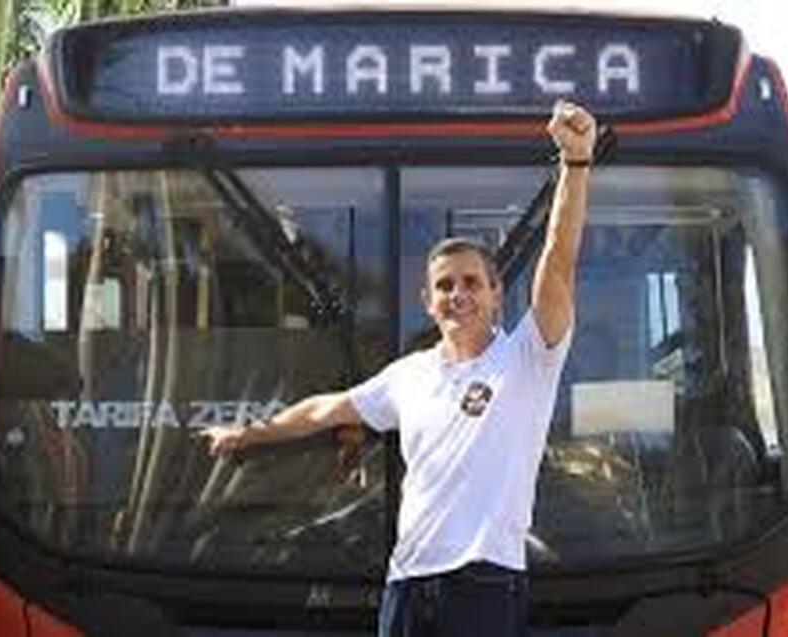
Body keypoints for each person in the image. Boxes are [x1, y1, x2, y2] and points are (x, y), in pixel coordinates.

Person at [197, 100, 597, 637]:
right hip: (407, 583)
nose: (458, 294)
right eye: (444, 286)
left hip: (485, 583)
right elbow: (324, 410)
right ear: (428, 303)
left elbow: (558, 265)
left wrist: (575, 164)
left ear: (497, 294)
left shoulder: (528, 357)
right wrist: (247, 435)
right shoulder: (409, 376)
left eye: (472, 282)